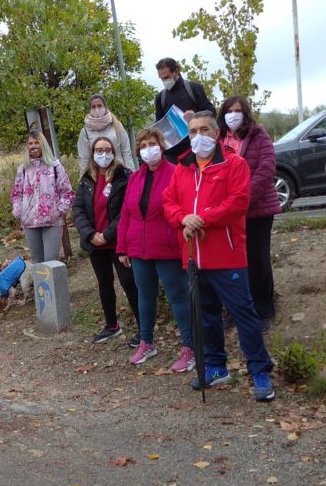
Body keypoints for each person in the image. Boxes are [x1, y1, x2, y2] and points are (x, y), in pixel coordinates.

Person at [162, 111, 275, 402]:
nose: (198, 136)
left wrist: (203, 218)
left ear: (216, 133)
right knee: (206, 316)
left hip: (226, 255)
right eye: (192, 132)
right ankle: (215, 366)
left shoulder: (234, 164)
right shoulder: (181, 167)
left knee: (244, 315)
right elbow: (169, 202)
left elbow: (238, 202)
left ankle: (259, 371)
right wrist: (183, 218)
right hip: (193, 256)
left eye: (204, 130)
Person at [116, 128, 195, 371]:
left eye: (152, 144)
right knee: (145, 297)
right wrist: (122, 247)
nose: (148, 149)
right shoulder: (135, 178)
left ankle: (190, 348)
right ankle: (146, 342)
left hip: (167, 247)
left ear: (161, 147)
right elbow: (126, 215)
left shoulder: (175, 173)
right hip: (139, 249)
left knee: (178, 297)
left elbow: (182, 208)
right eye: (143, 146)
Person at [217, 95, 280, 332]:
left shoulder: (259, 135)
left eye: (238, 110)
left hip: (256, 211)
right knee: (231, 263)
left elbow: (266, 169)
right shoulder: (217, 139)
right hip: (227, 214)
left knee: (257, 260)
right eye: (228, 111)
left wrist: (241, 200)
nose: (233, 115)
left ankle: (264, 310)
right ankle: (236, 309)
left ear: (245, 113)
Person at [72, 136, 140, 346]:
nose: (103, 154)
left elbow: (127, 210)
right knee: (104, 283)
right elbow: (78, 209)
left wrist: (107, 234)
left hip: (118, 241)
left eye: (107, 149)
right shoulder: (86, 179)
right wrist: (90, 234)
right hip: (95, 242)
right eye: (99, 150)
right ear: (93, 153)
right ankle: (112, 326)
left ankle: (143, 327)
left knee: (129, 283)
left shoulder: (124, 176)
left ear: (114, 151)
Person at [11, 131, 74, 263]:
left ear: (43, 144)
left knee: (51, 262)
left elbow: (67, 192)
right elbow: (17, 194)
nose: (33, 146)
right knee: (37, 262)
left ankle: (53, 285)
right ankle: (40, 285)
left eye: (36, 142)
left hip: (52, 221)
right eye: (30, 143)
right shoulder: (23, 168)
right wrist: (19, 211)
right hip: (29, 221)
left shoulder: (55, 166)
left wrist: (59, 211)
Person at [154, 58, 216, 162]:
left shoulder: (194, 88)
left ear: (176, 71)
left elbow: (212, 112)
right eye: (161, 79)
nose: (164, 81)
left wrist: (196, 116)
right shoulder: (160, 97)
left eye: (167, 77)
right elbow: (159, 125)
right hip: (172, 154)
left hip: (195, 149)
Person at [77, 93, 135, 173]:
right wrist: (84, 181)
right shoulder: (85, 132)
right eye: (93, 107)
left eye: (99, 105)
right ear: (90, 109)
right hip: (98, 175)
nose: (97, 109)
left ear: (105, 107)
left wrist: (131, 174)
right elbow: (84, 159)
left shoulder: (117, 125)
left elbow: (126, 152)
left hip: (119, 173)